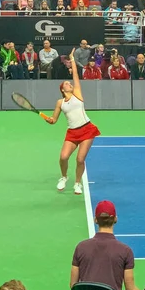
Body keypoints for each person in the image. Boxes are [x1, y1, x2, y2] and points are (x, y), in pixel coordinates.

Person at [47, 48, 101, 195]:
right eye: (66, 84)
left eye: (69, 83)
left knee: (80, 159)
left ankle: (78, 183)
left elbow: (76, 75)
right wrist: (49, 119)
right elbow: (54, 120)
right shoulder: (60, 102)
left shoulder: (77, 93)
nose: (69, 84)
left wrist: (72, 59)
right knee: (63, 157)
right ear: (62, 89)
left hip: (87, 129)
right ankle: (64, 177)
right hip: (72, 132)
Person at [71, 200, 142, 290]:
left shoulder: (80, 247)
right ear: (115, 219)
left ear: (95, 220)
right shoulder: (126, 251)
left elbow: (74, 285)